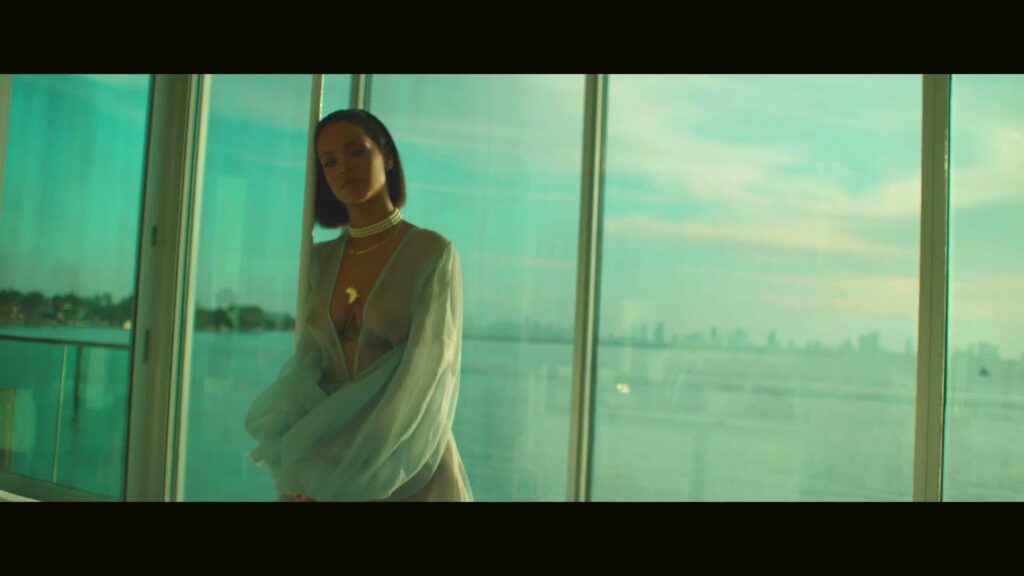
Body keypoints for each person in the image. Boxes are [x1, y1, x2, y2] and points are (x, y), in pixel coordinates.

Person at [245, 109, 472, 502]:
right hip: (324, 458)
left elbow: (429, 375)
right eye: (330, 162)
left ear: (388, 156)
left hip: (403, 459)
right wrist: (301, 461)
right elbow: (308, 363)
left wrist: (354, 479)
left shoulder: (431, 253)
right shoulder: (319, 260)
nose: (343, 168)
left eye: (356, 152)